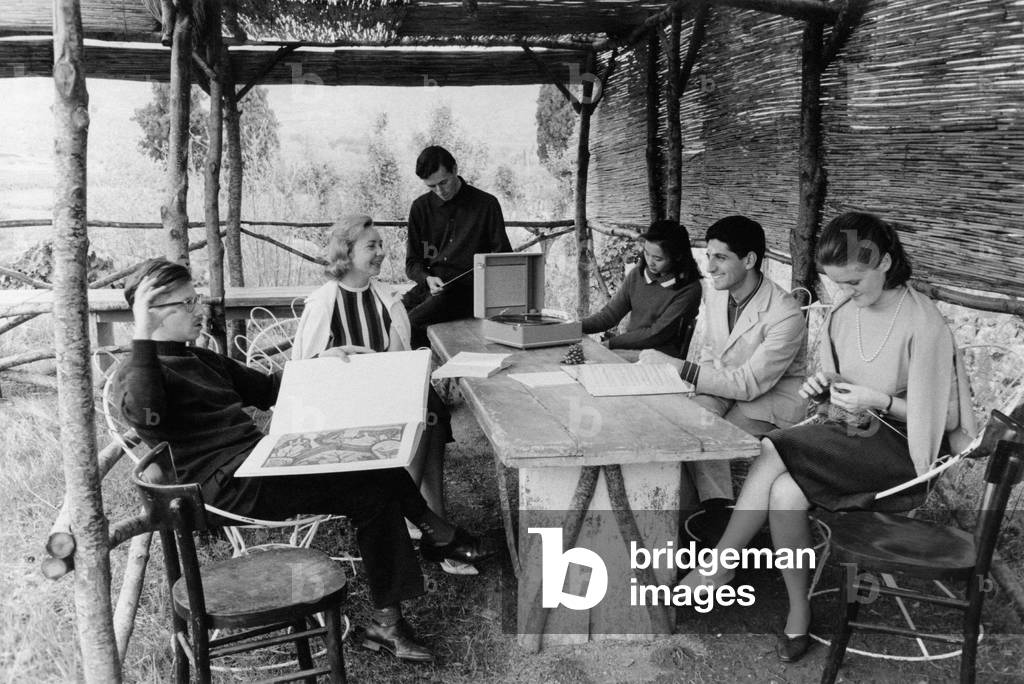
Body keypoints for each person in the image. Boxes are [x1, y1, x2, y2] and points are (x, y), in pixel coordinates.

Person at [114, 258, 494, 663]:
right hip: (222, 488)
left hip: (257, 462)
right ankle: (425, 557)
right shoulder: (136, 372)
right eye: (186, 304)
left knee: (368, 456)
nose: (198, 310)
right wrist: (141, 335)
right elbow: (146, 414)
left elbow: (268, 388)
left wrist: (323, 360)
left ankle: (428, 549)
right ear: (150, 313)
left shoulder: (201, 358)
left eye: (196, 299)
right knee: (369, 491)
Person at [676, 211, 976, 662]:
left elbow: (947, 418)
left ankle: (719, 565)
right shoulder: (842, 313)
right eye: (837, 283)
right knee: (784, 493)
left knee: (780, 444)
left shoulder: (923, 322)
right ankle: (799, 610)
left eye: (854, 282)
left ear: (886, 263)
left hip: (901, 450)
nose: (845, 294)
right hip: (848, 433)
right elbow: (835, 388)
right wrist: (823, 386)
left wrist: (879, 400)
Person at [291, 214, 477, 575]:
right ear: (346, 252)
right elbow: (303, 376)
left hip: (380, 396)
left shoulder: (384, 299)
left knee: (431, 411)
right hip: (339, 409)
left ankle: (423, 523)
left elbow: (399, 360)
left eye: (380, 245)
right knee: (428, 416)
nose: (381, 253)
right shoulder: (323, 303)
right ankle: (421, 520)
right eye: (371, 246)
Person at [640, 216, 807, 510]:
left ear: (749, 260)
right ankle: (694, 519)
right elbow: (710, 353)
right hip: (723, 392)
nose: (709, 267)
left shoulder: (785, 313)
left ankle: (713, 519)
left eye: (720, 258)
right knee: (677, 428)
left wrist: (681, 368)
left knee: (708, 440)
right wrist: (700, 396)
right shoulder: (718, 295)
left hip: (768, 406)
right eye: (708, 256)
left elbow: (749, 385)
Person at [402, 145, 512, 348]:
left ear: (455, 169)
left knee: (408, 324)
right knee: (390, 318)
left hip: (469, 293)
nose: (439, 191)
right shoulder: (420, 208)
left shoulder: (486, 205)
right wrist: (426, 279)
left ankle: (430, 378)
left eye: (443, 183)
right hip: (430, 287)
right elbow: (412, 263)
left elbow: (503, 259)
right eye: (431, 187)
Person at [581, 219, 702, 358]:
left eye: (658, 258)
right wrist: (572, 328)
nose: (650, 262)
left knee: (595, 361)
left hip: (661, 357)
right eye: (646, 253)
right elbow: (609, 315)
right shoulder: (637, 275)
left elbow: (655, 334)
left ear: (678, 256)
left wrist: (610, 344)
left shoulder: (689, 290)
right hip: (631, 350)